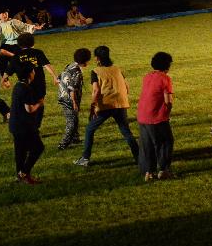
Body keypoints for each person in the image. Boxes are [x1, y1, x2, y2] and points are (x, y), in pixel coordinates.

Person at [74, 46, 139, 166]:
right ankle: (139, 157)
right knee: (126, 132)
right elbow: (127, 87)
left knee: (89, 129)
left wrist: (93, 107)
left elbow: (96, 91)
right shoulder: (117, 69)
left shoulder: (96, 71)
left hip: (106, 105)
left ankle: (85, 158)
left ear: (97, 58)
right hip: (121, 104)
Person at [2, 33, 58, 130]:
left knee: (26, 105)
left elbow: (8, 71)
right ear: (32, 42)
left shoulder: (16, 56)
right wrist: (55, 76)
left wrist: (4, 81)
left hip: (24, 86)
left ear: (19, 44)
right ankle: (36, 126)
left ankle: (29, 124)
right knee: (39, 103)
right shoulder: (38, 52)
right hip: (39, 83)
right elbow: (46, 65)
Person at [137, 52, 175, 181]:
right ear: (167, 65)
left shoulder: (147, 76)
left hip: (142, 115)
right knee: (165, 142)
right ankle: (163, 170)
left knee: (147, 144)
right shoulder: (165, 78)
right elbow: (168, 101)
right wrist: (166, 113)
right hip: (156, 116)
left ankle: (149, 172)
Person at [8, 61, 45, 185]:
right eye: (33, 70)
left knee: (20, 151)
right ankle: (23, 172)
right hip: (25, 126)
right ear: (30, 74)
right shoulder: (26, 88)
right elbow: (29, 109)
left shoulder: (18, 86)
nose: (34, 72)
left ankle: (22, 177)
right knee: (38, 148)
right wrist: (40, 103)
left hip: (15, 124)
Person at [56, 48, 92, 150]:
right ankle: (63, 144)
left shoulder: (69, 65)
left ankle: (75, 138)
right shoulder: (77, 73)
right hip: (69, 99)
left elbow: (58, 78)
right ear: (85, 60)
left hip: (63, 96)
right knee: (71, 122)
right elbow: (72, 89)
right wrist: (74, 102)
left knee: (74, 118)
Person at [0, 8, 42, 74]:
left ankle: (26, 77)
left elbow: (24, 26)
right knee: (1, 64)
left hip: (17, 44)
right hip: (5, 46)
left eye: (6, 13)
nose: (5, 15)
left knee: (21, 63)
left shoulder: (13, 21)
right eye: (2, 13)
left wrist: (35, 27)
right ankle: (5, 80)